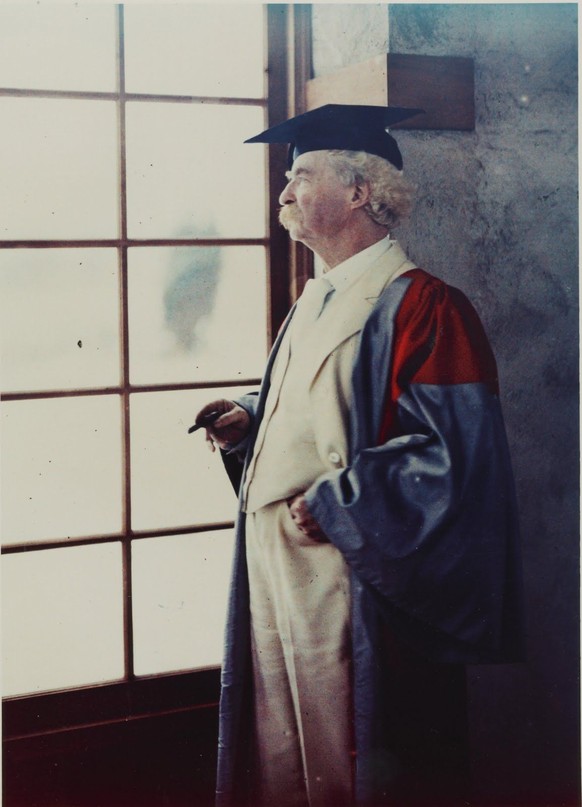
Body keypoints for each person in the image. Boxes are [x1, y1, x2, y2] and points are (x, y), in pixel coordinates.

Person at [193, 104, 524, 807]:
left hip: (353, 579)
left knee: (356, 760)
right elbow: (318, 412)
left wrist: (345, 503)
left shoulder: (428, 307)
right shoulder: (315, 298)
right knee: (284, 751)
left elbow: (454, 460)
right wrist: (247, 421)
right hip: (277, 569)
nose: (283, 194)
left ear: (359, 192)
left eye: (300, 175)